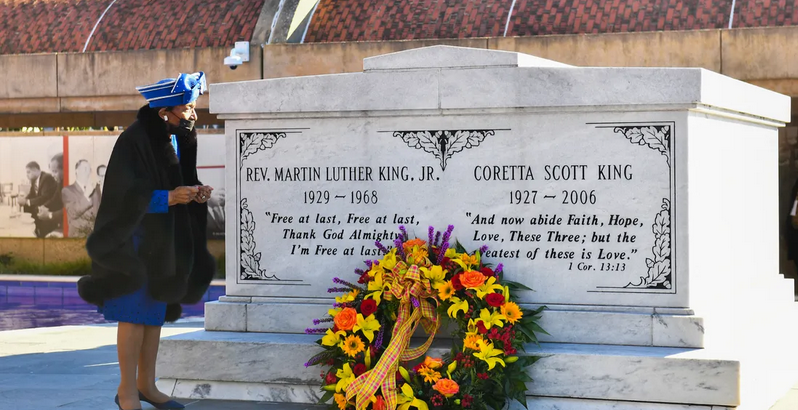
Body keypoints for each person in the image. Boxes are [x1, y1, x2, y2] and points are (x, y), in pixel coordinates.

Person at [78, 72, 216, 410]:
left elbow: (178, 181)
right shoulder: (134, 140)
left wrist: (194, 192)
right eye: (187, 108)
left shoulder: (176, 137)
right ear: (164, 112)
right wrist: (168, 197)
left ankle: (146, 385)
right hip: (133, 242)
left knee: (154, 315)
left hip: (162, 242)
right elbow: (122, 197)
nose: (193, 114)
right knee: (133, 314)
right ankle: (126, 390)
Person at [61, 159, 101, 237]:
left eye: (89, 169)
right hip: (78, 236)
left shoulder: (95, 190)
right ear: (77, 171)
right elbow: (72, 212)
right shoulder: (67, 190)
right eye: (85, 168)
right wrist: (86, 195)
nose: (88, 172)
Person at [20, 160, 58, 237]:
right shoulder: (34, 180)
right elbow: (31, 194)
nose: (27, 175)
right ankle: (33, 230)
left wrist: (27, 201)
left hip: (49, 207)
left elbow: (45, 197)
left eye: (28, 172)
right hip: (40, 205)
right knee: (26, 207)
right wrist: (24, 200)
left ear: (35, 170)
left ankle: (41, 233)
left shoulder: (47, 178)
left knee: (30, 206)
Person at [36, 153, 65, 237]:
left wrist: (49, 215)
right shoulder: (60, 182)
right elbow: (54, 200)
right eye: (52, 171)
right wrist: (43, 207)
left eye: (55, 171)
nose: (52, 175)